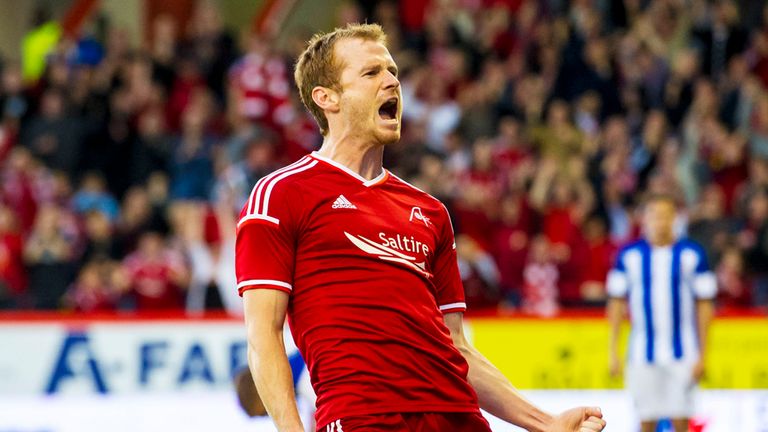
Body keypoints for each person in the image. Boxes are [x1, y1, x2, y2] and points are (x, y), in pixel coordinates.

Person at [236, 23, 606, 432]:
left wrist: (546, 423)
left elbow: (457, 348)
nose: (392, 81)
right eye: (372, 72)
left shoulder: (429, 211)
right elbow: (263, 335)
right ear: (327, 98)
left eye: (392, 71)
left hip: (460, 420)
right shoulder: (281, 194)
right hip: (365, 420)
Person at [607, 194, 716, 432]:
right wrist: (613, 351)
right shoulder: (628, 255)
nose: (661, 221)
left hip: (683, 351)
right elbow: (616, 304)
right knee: (646, 420)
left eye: (666, 215)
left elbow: (705, 306)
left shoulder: (693, 254)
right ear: (644, 219)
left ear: (675, 218)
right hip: (641, 353)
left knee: (681, 420)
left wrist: (703, 353)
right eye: (655, 215)